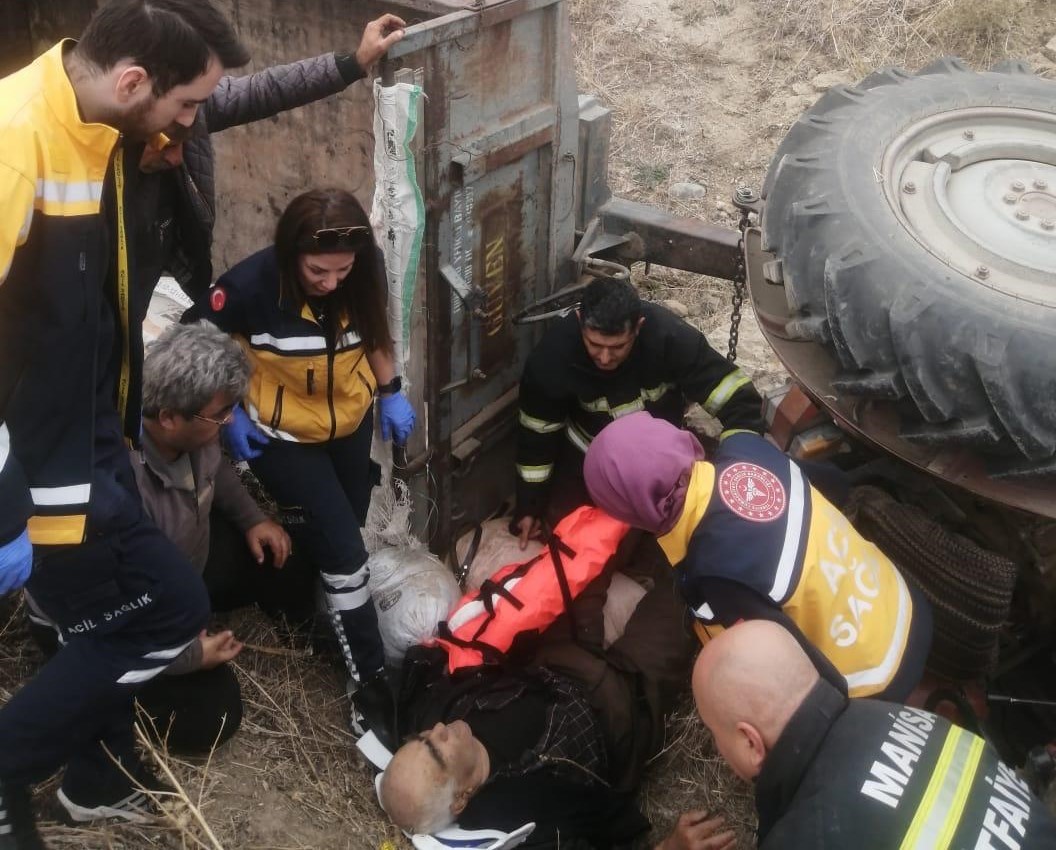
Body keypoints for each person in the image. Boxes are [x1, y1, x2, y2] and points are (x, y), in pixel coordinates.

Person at [0, 2, 251, 844]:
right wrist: (6, 507)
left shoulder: (96, 128)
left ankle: (92, 779)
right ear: (133, 81)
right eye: (185, 108)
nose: (189, 129)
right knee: (162, 608)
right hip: (37, 468)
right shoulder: (14, 144)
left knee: (115, 622)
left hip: (90, 441)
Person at [191, 187, 416, 748]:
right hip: (282, 437)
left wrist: (390, 391)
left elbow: (377, 333)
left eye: (343, 271)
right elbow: (195, 341)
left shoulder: (362, 272)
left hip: (349, 425)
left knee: (340, 528)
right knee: (345, 552)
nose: (332, 282)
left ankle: (303, 601)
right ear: (292, 254)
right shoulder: (249, 286)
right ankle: (369, 687)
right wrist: (232, 411)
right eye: (319, 270)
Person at [583, 412, 932, 702]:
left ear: (632, 512)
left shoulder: (711, 574)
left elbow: (775, 667)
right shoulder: (745, 447)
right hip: (905, 603)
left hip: (876, 679)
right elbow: (835, 485)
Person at [379, 557, 700, 849]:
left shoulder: (433, 713)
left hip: (560, 654)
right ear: (461, 799)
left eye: (421, 738)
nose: (437, 730)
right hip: (621, 699)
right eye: (436, 750)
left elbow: (401, 683)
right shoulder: (522, 817)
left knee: (592, 532)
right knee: (690, 588)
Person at [676, 620, 1056, 850]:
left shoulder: (806, 836)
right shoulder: (898, 717)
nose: (716, 746)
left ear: (749, 743)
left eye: (715, 733)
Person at [137, 11, 407, 303]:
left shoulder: (190, 111)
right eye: (164, 145)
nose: (178, 159)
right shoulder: (94, 186)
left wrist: (355, 63)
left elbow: (267, 89)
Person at [513, 277, 764, 548]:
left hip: (661, 467)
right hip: (586, 461)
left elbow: (736, 398)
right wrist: (530, 505)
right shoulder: (552, 358)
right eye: (595, 345)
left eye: (618, 347)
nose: (605, 358)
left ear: (639, 328)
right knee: (571, 539)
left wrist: (742, 464)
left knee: (684, 537)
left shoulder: (669, 338)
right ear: (579, 321)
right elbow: (536, 438)